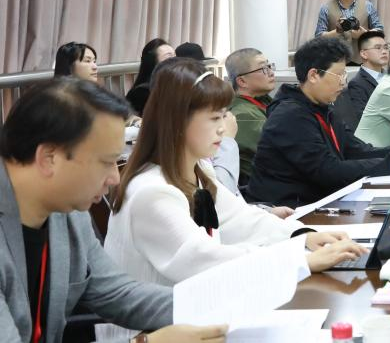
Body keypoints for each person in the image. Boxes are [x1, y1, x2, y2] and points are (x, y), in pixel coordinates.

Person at [100, 60, 364, 339]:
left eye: (224, 116)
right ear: (177, 121)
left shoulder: (198, 170)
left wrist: (302, 236)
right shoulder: (151, 192)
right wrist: (298, 259)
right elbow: (202, 260)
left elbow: (240, 219)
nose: (223, 129)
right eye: (214, 118)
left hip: (195, 317)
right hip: (150, 334)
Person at [0, 78, 227, 342]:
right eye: (107, 162)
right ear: (49, 158)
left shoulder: (67, 212)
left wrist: (217, 304)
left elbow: (118, 292)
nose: (115, 178)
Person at [247, 38, 390, 206]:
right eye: (338, 75)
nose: (343, 82)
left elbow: (357, 150)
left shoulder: (323, 109)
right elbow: (327, 171)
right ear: (313, 75)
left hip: (320, 202)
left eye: (344, 75)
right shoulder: (290, 116)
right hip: (290, 211)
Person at [224, 47, 276, 184]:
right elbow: (280, 153)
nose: (271, 72)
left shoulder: (262, 101)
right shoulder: (243, 115)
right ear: (242, 81)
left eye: (269, 66)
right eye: (263, 68)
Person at [314, 0, 383, 63]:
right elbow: (318, 38)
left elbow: (380, 31)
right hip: (335, 62)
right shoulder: (326, 8)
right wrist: (337, 31)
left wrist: (364, 34)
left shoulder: (368, 6)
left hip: (364, 61)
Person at [333, 30, 389, 133]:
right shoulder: (357, 84)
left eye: (386, 47)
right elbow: (364, 121)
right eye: (378, 48)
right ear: (363, 54)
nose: (384, 51)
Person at [125, 38, 176, 115]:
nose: (177, 61)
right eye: (169, 57)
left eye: (175, 56)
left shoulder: (175, 85)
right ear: (153, 63)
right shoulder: (142, 93)